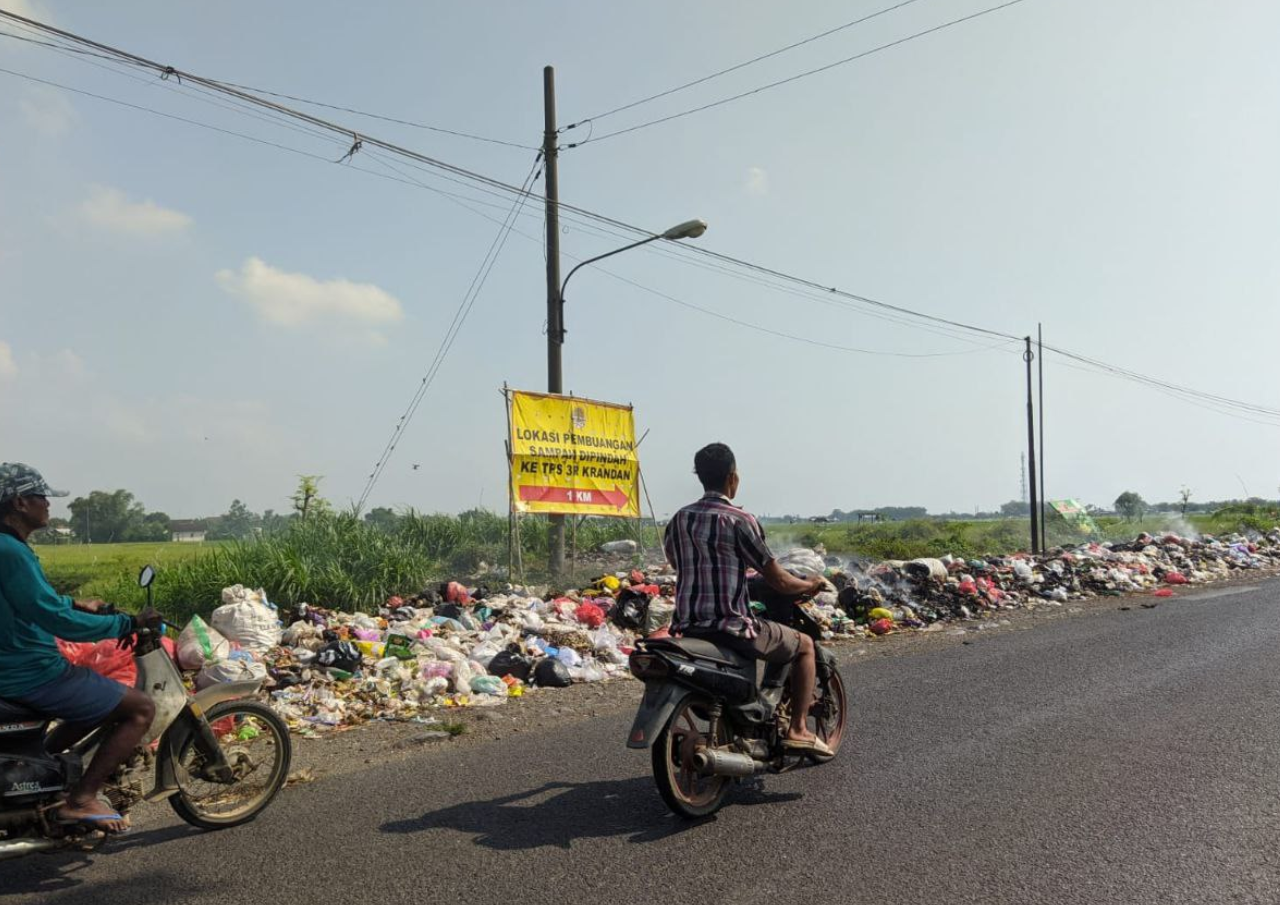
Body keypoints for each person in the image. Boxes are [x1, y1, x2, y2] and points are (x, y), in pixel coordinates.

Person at [0, 463, 160, 834]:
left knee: (97, 696)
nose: (48, 505)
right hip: (29, 670)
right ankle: (82, 798)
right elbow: (56, 621)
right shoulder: (10, 551)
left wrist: (74, 602)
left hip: (13, 664)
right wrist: (127, 623)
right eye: (42, 497)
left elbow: (30, 599)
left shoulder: (8, 545)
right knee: (139, 707)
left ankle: (48, 767)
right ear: (21, 502)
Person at [663, 443, 832, 755]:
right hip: (731, 627)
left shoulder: (678, 520)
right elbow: (779, 580)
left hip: (688, 626)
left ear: (699, 477)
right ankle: (798, 729)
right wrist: (809, 584)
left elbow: (681, 565)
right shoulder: (740, 519)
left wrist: (738, 576)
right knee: (805, 646)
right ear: (733, 478)